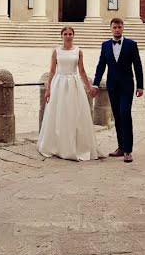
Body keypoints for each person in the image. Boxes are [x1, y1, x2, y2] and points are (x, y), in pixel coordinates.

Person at [38, 25, 101, 161]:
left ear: (73, 35)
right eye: (65, 34)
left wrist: (89, 87)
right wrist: (48, 89)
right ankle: (57, 145)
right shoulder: (56, 51)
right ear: (61, 36)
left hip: (74, 83)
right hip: (59, 83)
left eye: (70, 34)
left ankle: (76, 145)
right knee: (58, 113)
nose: (68, 36)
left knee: (74, 113)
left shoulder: (78, 51)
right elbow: (52, 71)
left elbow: (82, 70)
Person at [91, 17, 143, 163]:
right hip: (112, 86)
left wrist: (140, 85)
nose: (117, 29)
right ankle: (120, 147)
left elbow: (137, 65)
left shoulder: (131, 44)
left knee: (125, 113)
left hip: (127, 85)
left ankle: (128, 150)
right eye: (114, 27)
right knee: (117, 116)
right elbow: (101, 65)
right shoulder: (105, 45)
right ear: (111, 28)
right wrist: (95, 84)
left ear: (123, 28)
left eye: (119, 27)